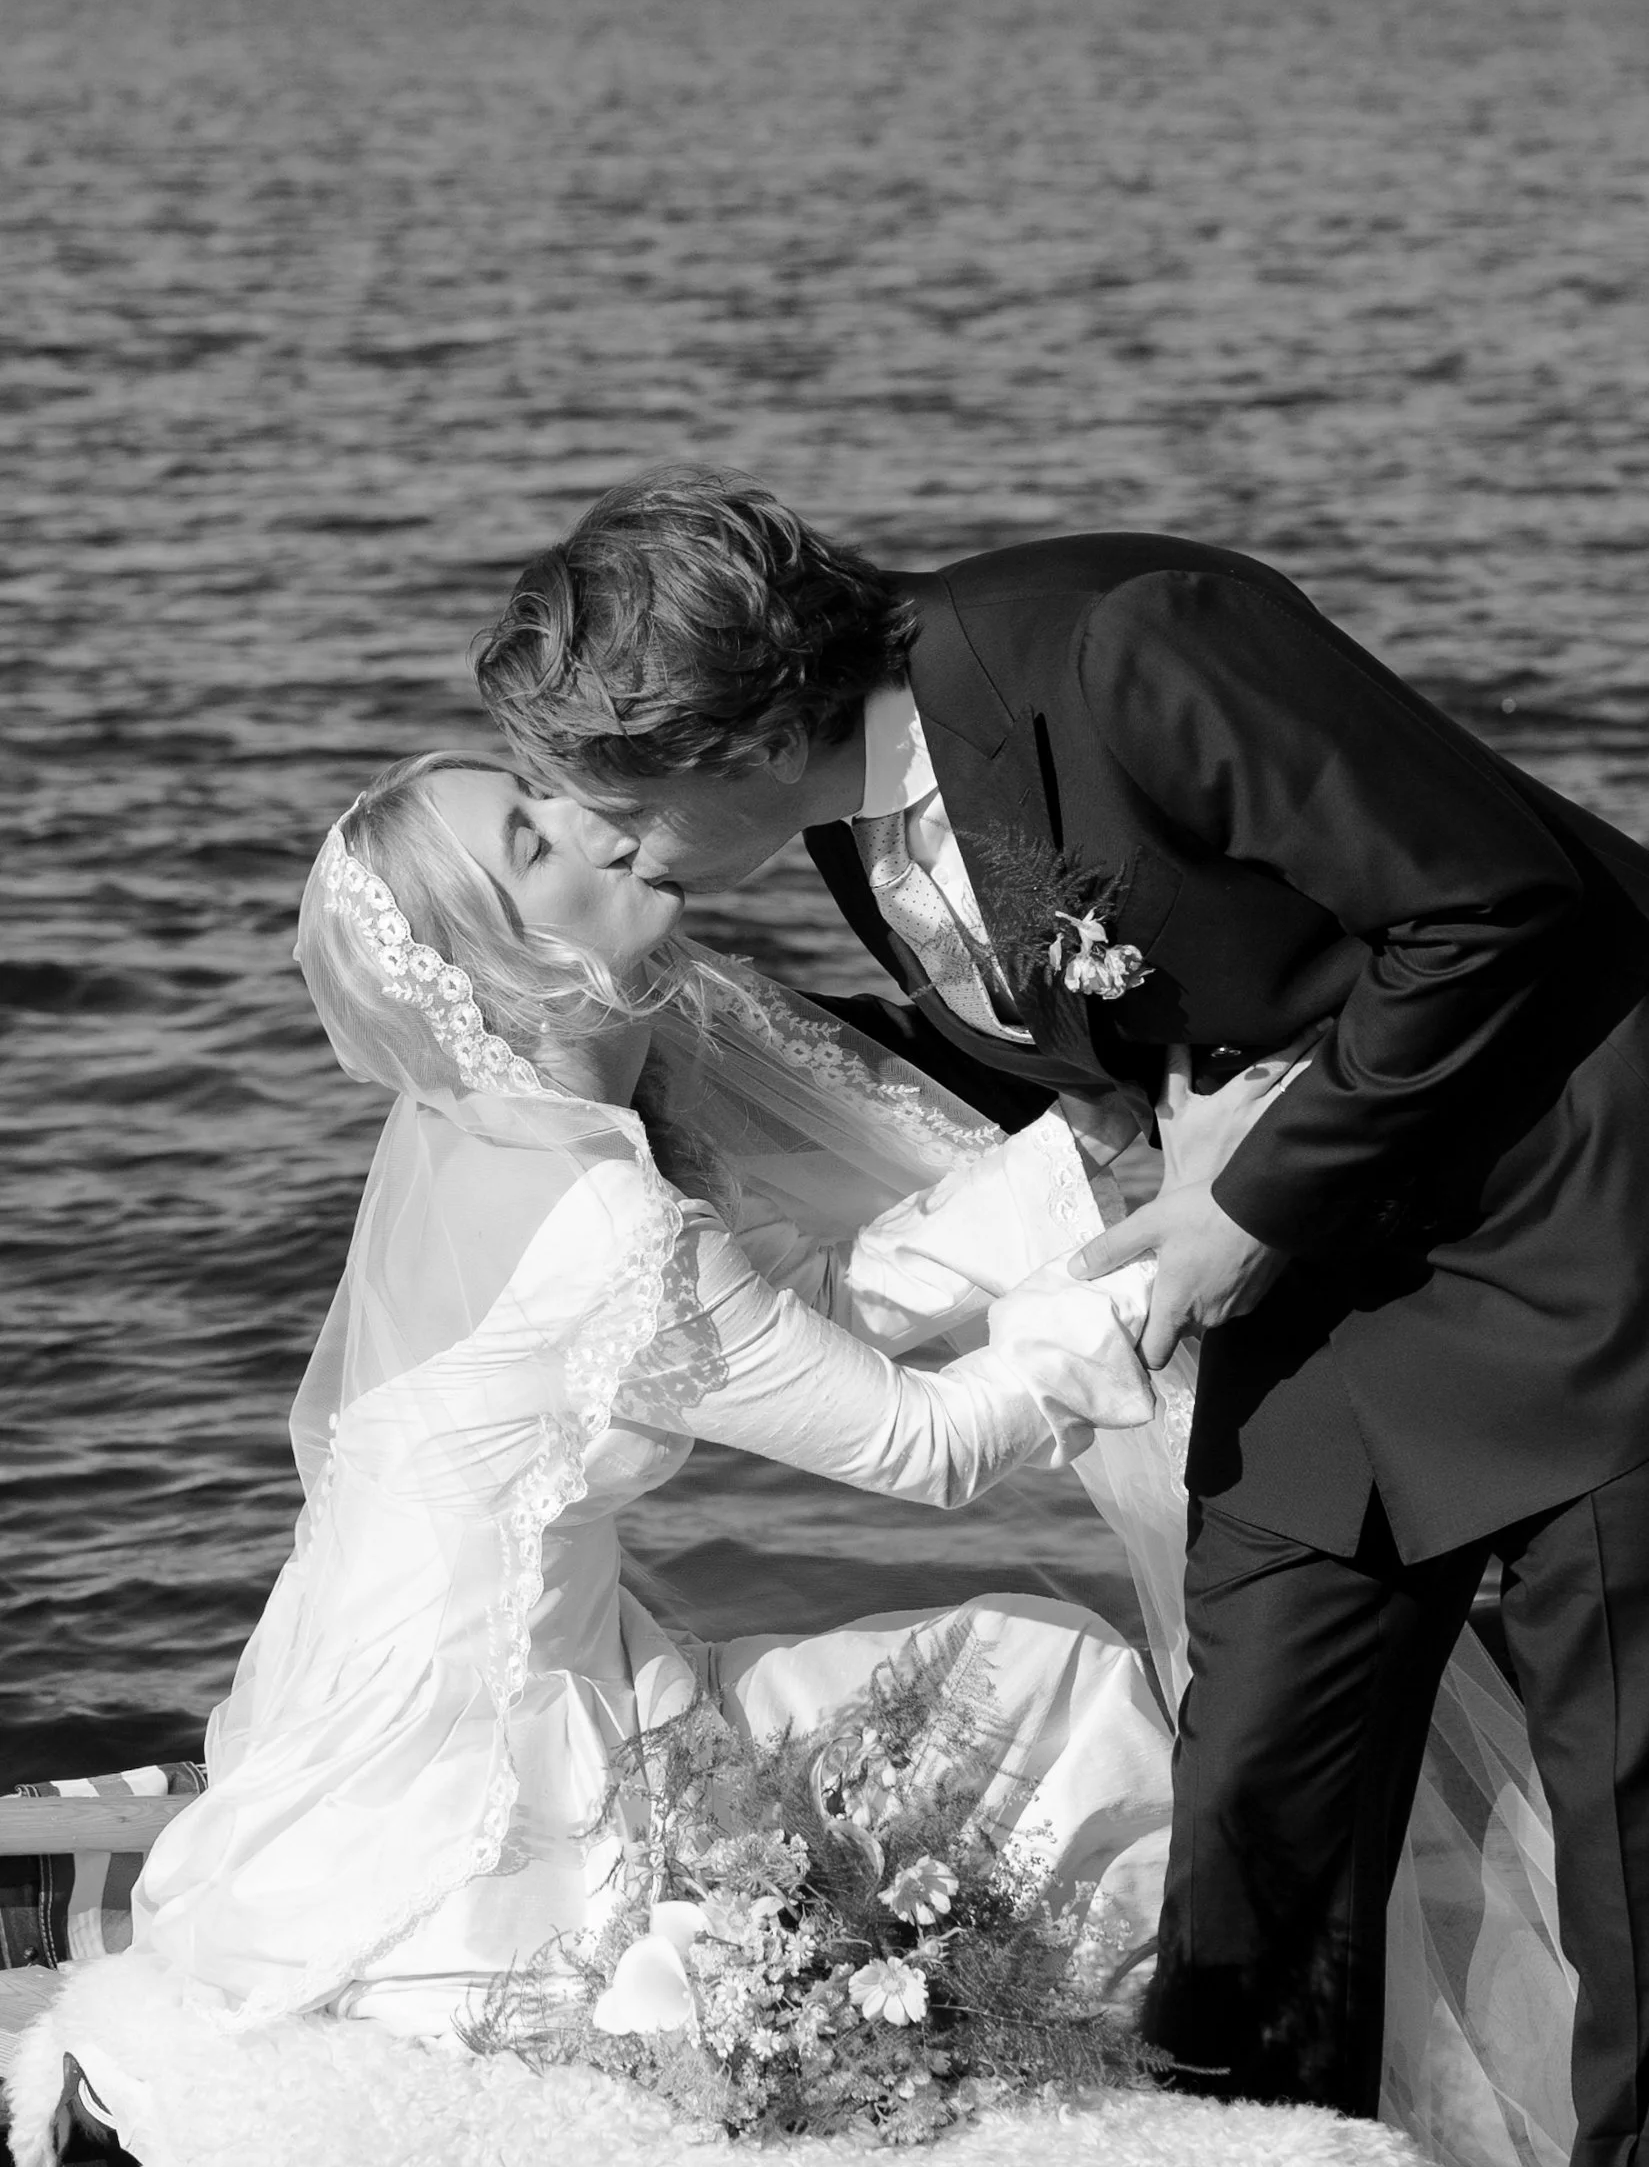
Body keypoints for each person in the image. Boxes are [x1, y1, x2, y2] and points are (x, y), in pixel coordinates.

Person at [472, 470, 1649, 2167]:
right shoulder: (843, 809)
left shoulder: (1133, 643)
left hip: (1603, 1214)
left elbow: (1493, 904)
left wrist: (1244, 1204)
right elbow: (1093, 1043)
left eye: (612, 802)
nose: (612, 841)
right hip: (1344, 1269)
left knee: (1646, 1828)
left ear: (732, 740)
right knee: (1260, 1794)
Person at [125, 752, 1172, 2036]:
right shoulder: (600, 1215)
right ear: (499, 964)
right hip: (483, 1753)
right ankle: (1169, 2045)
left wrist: (1081, 1161)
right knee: (1067, 1674)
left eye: (542, 793)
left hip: (404, 1666)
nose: (594, 822)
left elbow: (814, 1308)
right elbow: (930, 1447)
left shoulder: (492, 1119)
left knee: (1021, 1683)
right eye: (531, 841)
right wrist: (1177, 1252)